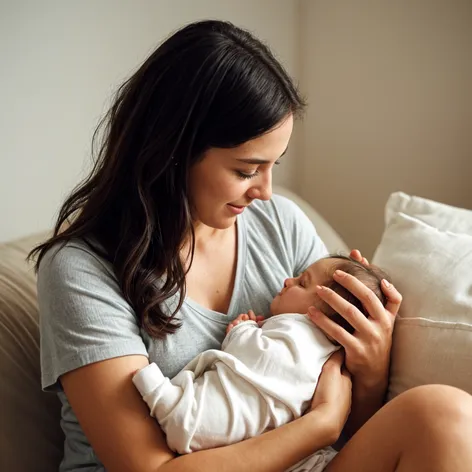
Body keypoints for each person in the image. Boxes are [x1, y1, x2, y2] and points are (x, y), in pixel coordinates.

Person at [30, 19, 472, 472]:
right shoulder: (81, 271)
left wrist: (371, 365)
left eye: (273, 165)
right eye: (246, 170)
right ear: (171, 150)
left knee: (443, 416)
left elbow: (347, 429)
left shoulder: (280, 224)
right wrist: (317, 426)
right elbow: (151, 468)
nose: (265, 191)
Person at [132, 256, 391, 472]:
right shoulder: (322, 344)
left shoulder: (297, 329)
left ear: (328, 312)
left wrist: (241, 329)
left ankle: (169, 403)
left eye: (301, 282)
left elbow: (259, 353)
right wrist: (322, 423)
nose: (288, 280)